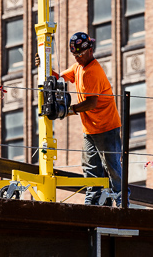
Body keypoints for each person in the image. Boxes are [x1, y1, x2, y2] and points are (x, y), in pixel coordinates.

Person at [38, 32, 123, 205]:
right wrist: (44, 67)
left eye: (80, 54)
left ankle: (123, 203)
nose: (77, 58)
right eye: (75, 55)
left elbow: (91, 103)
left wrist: (70, 110)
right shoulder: (78, 67)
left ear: (90, 50)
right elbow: (59, 77)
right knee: (91, 168)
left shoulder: (92, 72)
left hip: (106, 128)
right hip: (90, 128)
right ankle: (93, 205)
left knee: (112, 168)